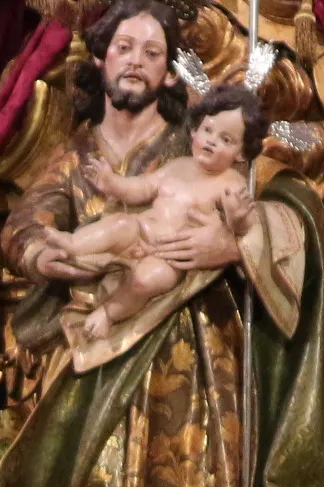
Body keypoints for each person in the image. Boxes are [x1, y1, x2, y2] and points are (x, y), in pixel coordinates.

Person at [0, 0, 324, 487]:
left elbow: (289, 203)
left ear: (168, 72)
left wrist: (233, 241)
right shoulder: (74, 155)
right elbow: (29, 220)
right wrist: (43, 252)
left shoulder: (201, 141)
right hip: (94, 341)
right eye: (123, 47)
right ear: (100, 61)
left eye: (152, 52)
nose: (135, 60)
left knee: (173, 480)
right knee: (87, 477)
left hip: (185, 345)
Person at [44, 86, 262, 341]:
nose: (212, 141)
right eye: (208, 130)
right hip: (140, 232)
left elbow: (244, 228)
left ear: (242, 152)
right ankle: (72, 243)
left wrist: (237, 218)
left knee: (146, 281)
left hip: (169, 258)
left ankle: (108, 314)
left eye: (226, 139)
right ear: (194, 131)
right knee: (119, 224)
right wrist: (112, 183)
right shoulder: (177, 166)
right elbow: (143, 188)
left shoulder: (232, 184)